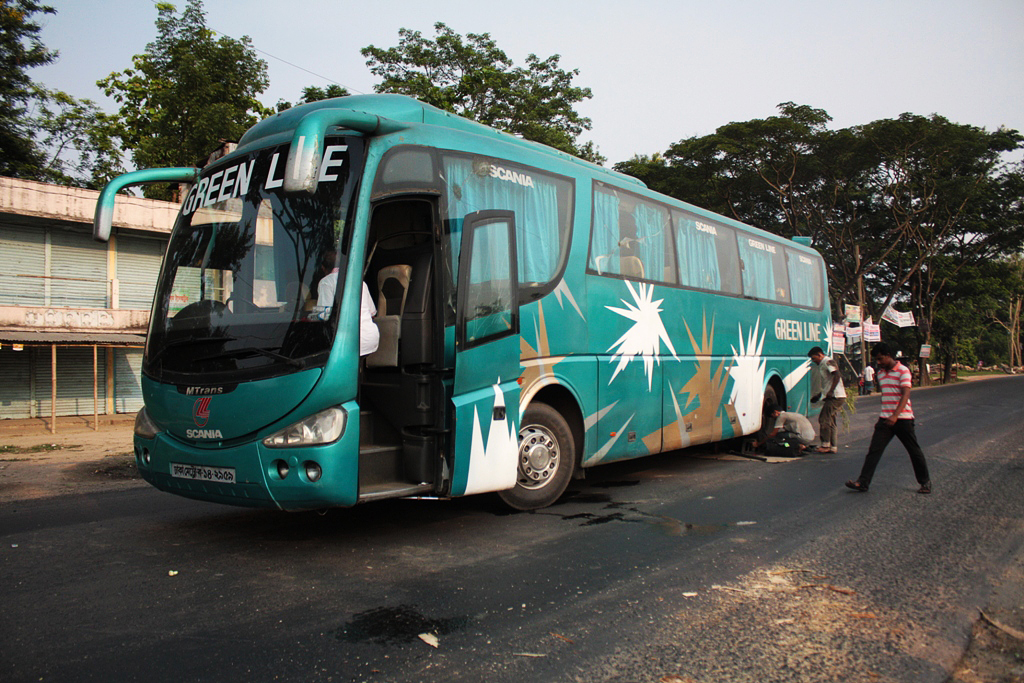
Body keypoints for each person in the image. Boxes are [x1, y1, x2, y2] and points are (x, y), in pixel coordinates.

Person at [845, 342, 931, 494]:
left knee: (913, 451)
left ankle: (925, 482)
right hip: (885, 418)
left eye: (880, 359)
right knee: (874, 451)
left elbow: (905, 394)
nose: (878, 362)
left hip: (903, 418)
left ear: (889, 356)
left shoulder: (903, 371)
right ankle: (863, 482)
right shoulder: (880, 373)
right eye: (876, 360)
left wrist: (895, 415)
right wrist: (888, 415)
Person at [316, 250, 379, 356]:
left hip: (348, 341)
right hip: (370, 338)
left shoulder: (326, 282)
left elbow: (324, 315)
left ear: (323, 268)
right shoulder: (360, 282)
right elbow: (372, 313)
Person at [808, 346, 846, 453]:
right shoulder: (823, 364)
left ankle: (825, 445)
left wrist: (831, 391)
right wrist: (819, 396)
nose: (814, 361)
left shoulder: (828, 361)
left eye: (814, 358)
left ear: (820, 355)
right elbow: (827, 384)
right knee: (831, 421)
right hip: (834, 396)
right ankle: (833, 446)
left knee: (824, 419)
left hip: (835, 396)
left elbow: (837, 375)